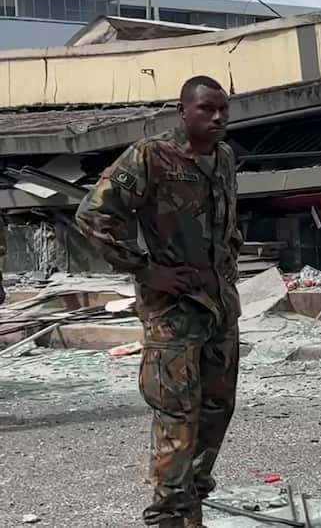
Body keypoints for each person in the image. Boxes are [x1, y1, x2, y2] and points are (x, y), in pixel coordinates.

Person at [76, 75, 242, 528]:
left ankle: (193, 505)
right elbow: (93, 215)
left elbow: (227, 215)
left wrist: (231, 254)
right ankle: (168, 515)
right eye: (207, 108)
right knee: (177, 414)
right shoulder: (151, 156)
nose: (218, 117)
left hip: (219, 305)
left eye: (223, 109)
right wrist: (146, 269)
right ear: (183, 112)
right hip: (174, 310)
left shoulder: (224, 158)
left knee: (217, 408)